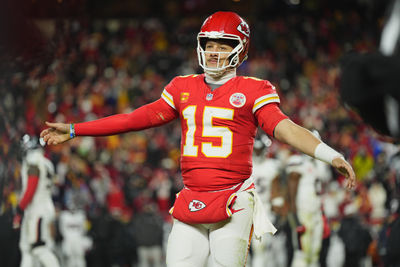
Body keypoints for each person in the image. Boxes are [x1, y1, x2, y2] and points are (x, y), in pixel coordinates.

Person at [40, 11, 356, 267]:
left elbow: (285, 129)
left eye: (223, 44)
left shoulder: (253, 89)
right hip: (191, 198)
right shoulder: (182, 87)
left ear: (240, 48)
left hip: (232, 200)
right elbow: (133, 119)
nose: (214, 51)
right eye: (209, 43)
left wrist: (330, 155)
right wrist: (74, 129)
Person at [13, 134, 60, 267]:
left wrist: (20, 208)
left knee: (39, 249)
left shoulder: (33, 162)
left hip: (37, 210)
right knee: (27, 249)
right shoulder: (47, 162)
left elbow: (31, 188)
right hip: (42, 208)